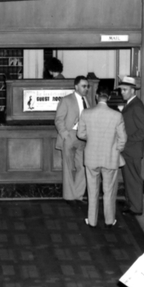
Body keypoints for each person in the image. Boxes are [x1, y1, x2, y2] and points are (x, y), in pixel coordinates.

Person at [76, 89, 126, 227]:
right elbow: (123, 138)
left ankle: (92, 221)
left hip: (91, 157)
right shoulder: (116, 115)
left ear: (96, 96)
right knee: (109, 191)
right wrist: (116, 149)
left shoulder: (86, 113)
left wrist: (91, 138)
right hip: (110, 157)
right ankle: (109, 220)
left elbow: (80, 134)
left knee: (92, 191)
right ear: (109, 97)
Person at [54, 75, 90, 204]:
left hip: (83, 137)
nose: (86, 88)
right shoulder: (67, 100)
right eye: (83, 86)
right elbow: (58, 119)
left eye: (87, 86)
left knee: (83, 166)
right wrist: (65, 134)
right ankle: (69, 196)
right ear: (76, 86)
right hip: (69, 136)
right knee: (68, 167)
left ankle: (78, 195)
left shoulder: (87, 100)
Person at [118, 76, 144, 216]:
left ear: (132, 90)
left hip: (132, 149)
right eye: (121, 90)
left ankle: (136, 208)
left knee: (134, 180)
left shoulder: (136, 105)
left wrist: (127, 140)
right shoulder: (131, 103)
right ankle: (130, 203)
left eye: (124, 90)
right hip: (129, 150)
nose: (121, 92)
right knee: (129, 179)